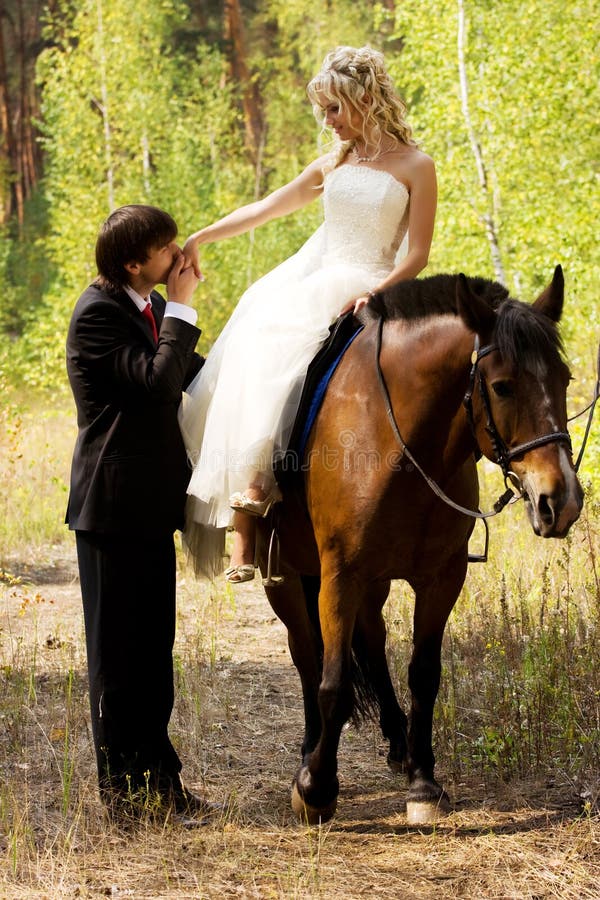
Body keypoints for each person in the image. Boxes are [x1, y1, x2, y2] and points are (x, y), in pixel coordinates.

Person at [180, 45, 437, 583]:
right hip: (322, 279)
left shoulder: (416, 166)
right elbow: (267, 207)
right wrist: (203, 235)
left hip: (376, 282)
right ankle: (250, 509)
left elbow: (417, 255)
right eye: (324, 110)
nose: (328, 121)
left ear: (365, 98)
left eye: (334, 109)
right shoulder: (333, 165)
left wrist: (378, 293)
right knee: (261, 340)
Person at [65, 204, 215, 826]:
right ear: (134, 263)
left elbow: (194, 377)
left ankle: (161, 782)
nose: (178, 256)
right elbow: (158, 383)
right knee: (118, 660)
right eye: (166, 249)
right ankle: (124, 796)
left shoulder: (146, 308)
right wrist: (181, 306)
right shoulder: (98, 314)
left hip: (150, 508)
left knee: (153, 656)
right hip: (111, 507)